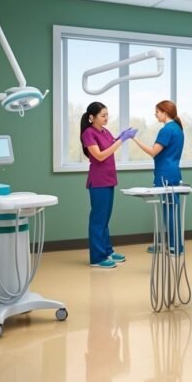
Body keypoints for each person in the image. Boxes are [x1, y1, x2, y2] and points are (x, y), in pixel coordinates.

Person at [80, 102, 137, 268]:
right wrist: (121, 141)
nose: (106, 118)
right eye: (103, 115)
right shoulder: (88, 134)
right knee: (98, 220)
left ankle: (107, 251)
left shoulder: (105, 131)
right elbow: (99, 156)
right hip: (98, 182)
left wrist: (122, 136)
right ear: (92, 117)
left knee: (105, 219)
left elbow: (112, 144)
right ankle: (97, 258)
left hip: (109, 179)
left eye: (107, 114)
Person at [132, 100, 185, 254]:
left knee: (169, 211)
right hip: (173, 172)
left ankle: (174, 247)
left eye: (157, 111)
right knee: (172, 210)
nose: (155, 114)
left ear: (165, 112)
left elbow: (153, 152)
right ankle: (172, 245)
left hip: (165, 174)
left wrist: (134, 138)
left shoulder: (167, 130)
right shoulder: (177, 129)